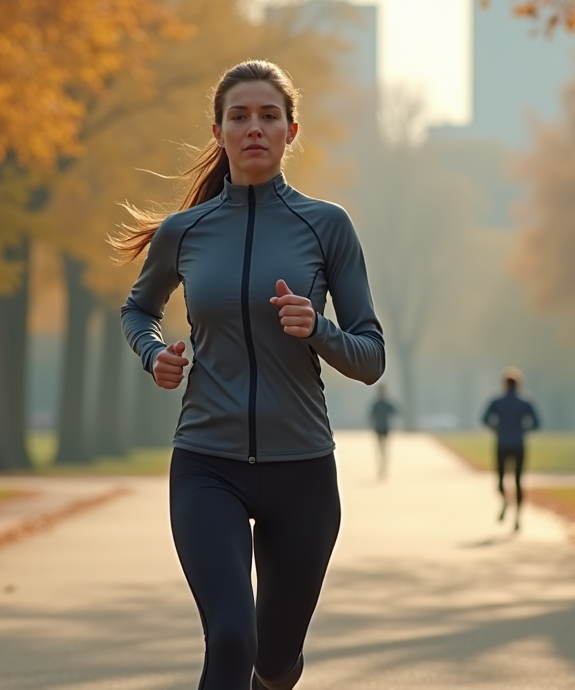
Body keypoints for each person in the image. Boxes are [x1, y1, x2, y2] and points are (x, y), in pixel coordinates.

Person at [115, 60, 385, 690]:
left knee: (274, 661)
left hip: (303, 471)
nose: (253, 127)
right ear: (218, 131)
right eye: (239, 116)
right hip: (208, 464)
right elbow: (138, 310)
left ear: (292, 131)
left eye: (268, 116)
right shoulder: (184, 233)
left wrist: (315, 328)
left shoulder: (327, 226)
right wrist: (155, 354)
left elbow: (370, 357)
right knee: (232, 638)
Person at [480, 367, 540, 531]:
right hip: (519, 444)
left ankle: (506, 501)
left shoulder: (497, 401)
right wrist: (523, 429)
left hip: (502, 443)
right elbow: (536, 423)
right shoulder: (526, 401)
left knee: (500, 480)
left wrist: (496, 427)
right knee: (519, 481)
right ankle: (517, 518)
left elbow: (484, 419)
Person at [369, 384, 398, 480]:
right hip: (378, 428)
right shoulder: (376, 404)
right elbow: (371, 416)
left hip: (385, 428)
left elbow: (396, 412)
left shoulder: (386, 404)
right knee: (380, 449)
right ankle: (381, 468)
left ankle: (384, 468)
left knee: (384, 449)